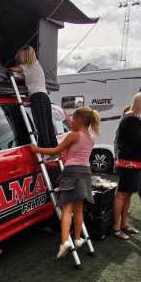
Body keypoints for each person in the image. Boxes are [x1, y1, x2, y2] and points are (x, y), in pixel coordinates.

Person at [32, 106, 100, 258]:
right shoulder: (90, 137)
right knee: (79, 208)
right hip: (85, 172)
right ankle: (77, 238)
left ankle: (64, 242)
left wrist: (37, 149)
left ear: (80, 120)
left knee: (67, 209)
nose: (70, 122)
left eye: (73, 119)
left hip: (72, 172)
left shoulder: (74, 135)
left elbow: (55, 150)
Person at [113, 92, 141, 239]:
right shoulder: (130, 119)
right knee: (122, 194)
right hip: (128, 164)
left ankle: (124, 224)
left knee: (128, 193)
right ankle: (116, 227)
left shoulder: (139, 119)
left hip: (135, 163)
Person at [10, 46, 56, 148]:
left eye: (20, 56)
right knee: (47, 125)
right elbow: (24, 75)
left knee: (41, 125)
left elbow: (11, 70)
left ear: (25, 56)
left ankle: (44, 149)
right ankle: (52, 148)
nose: (19, 59)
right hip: (45, 97)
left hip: (37, 97)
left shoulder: (26, 66)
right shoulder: (36, 65)